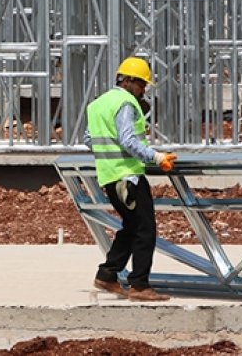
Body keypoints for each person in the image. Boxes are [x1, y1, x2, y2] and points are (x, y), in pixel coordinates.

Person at [86, 56, 177, 302]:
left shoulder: (99, 104)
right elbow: (128, 141)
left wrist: (108, 157)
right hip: (128, 178)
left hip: (108, 176)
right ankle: (139, 285)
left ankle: (107, 275)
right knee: (145, 230)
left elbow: (88, 139)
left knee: (132, 227)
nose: (143, 90)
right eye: (141, 84)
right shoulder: (125, 103)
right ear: (127, 81)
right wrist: (157, 157)